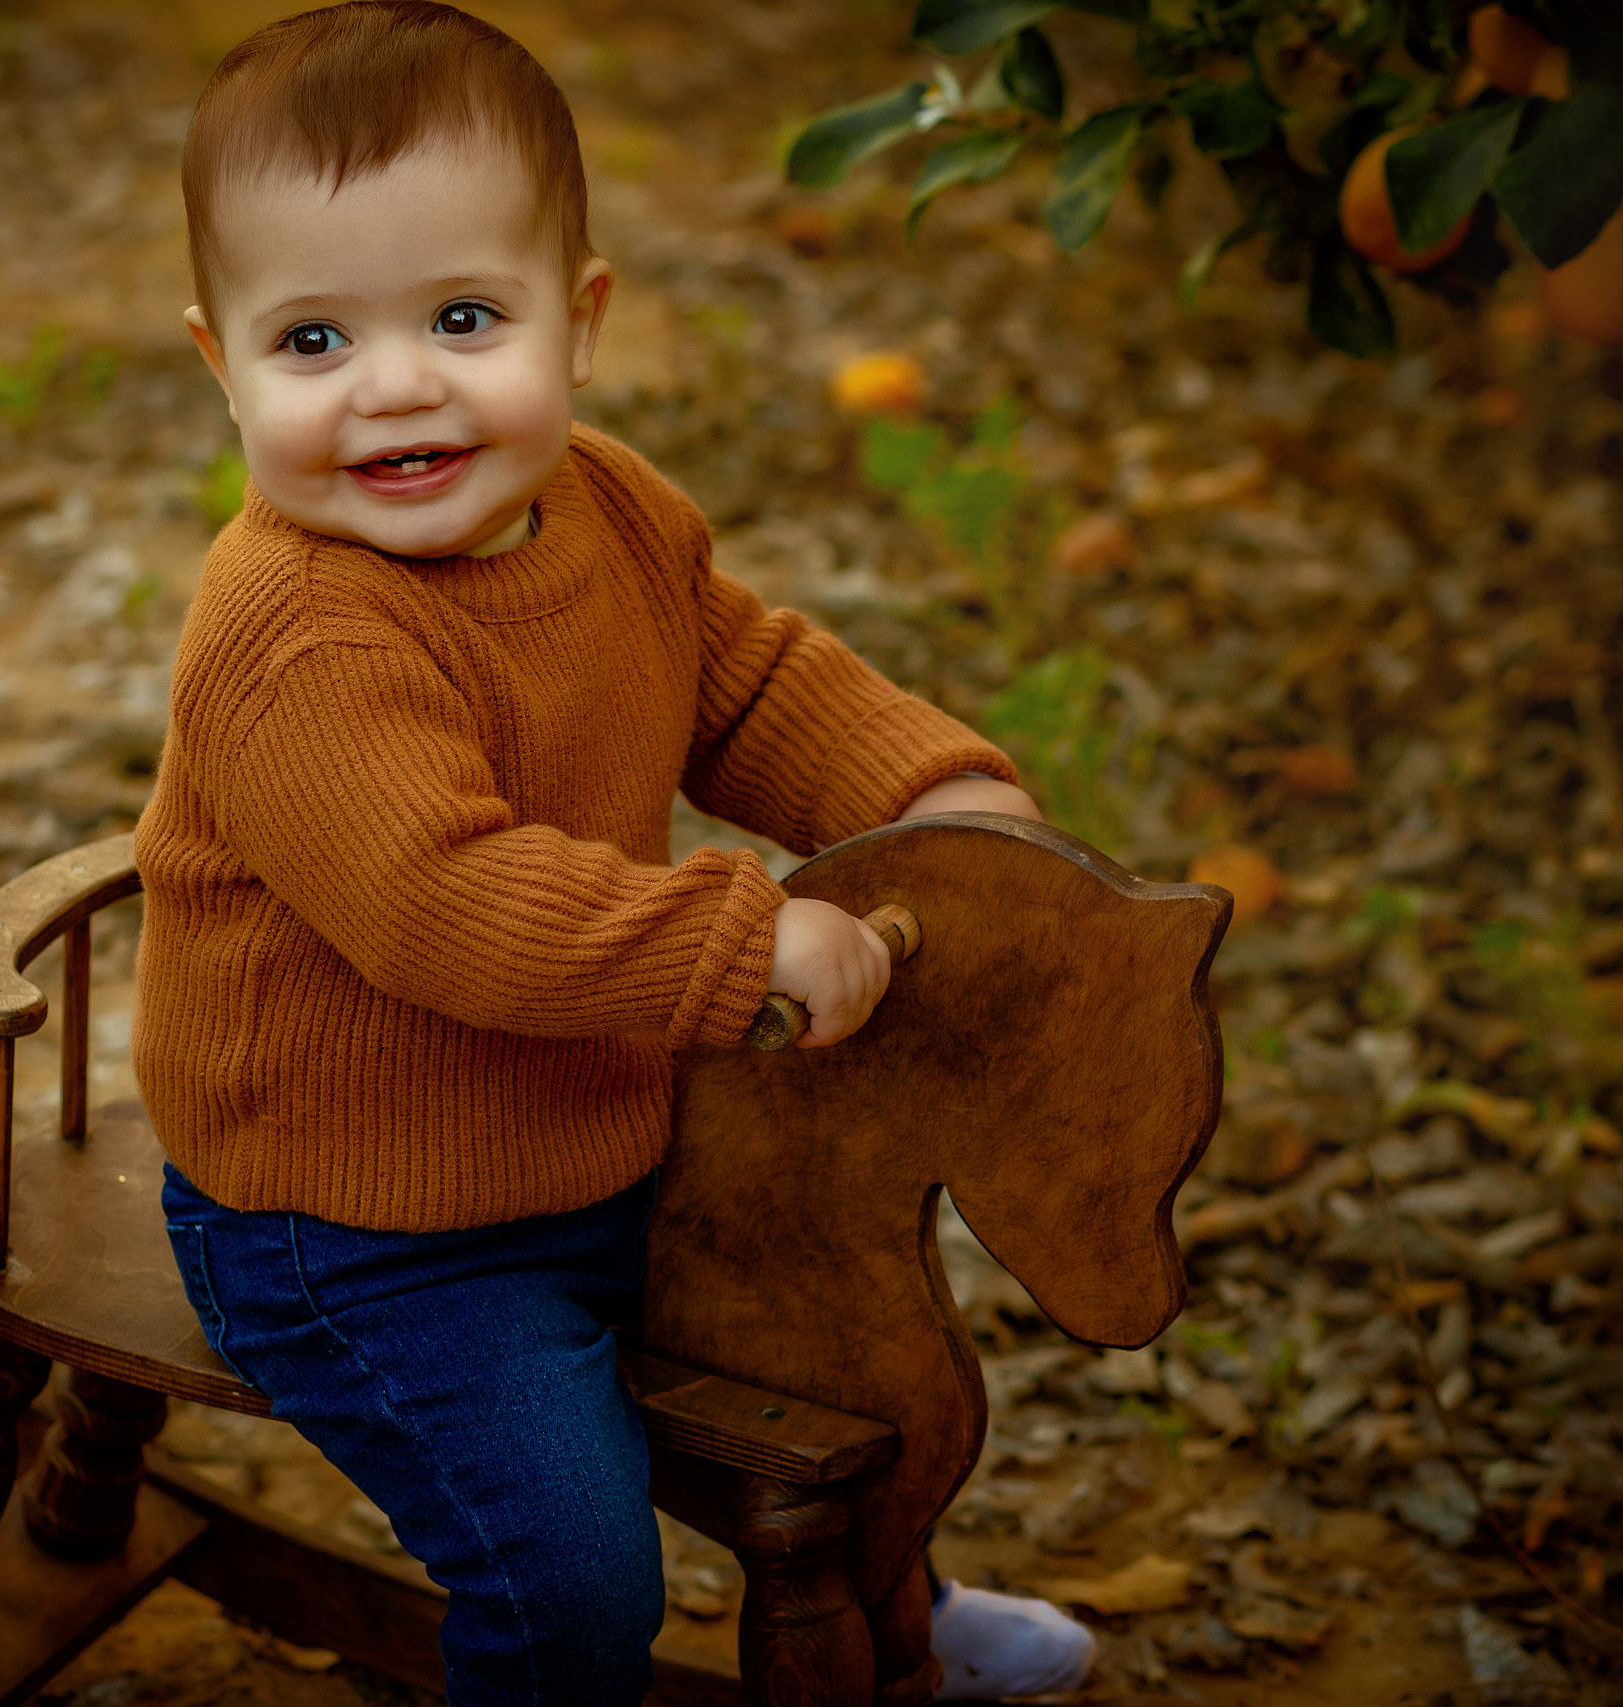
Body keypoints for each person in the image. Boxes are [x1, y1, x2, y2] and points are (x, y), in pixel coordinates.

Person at [132, 4, 1096, 1701]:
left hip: (599, 1128)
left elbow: (748, 679)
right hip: (360, 1222)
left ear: (578, 322)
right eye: (312, 343)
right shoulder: (297, 634)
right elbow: (446, 906)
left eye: (459, 316)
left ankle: (899, 1622)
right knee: (573, 1573)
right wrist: (743, 948)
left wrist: (936, 795)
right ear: (221, 363)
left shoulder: (608, 510)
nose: (397, 386)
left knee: (851, 1347)